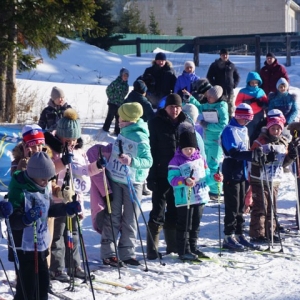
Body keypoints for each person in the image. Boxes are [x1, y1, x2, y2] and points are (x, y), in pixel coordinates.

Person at [7, 152, 81, 300]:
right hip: (23, 248)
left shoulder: (42, 186)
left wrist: (66, 209)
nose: (46, 182)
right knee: (27, 289)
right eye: (43, 179)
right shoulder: (19, 190)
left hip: (40, 245)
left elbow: (49, 209)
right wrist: (25, 219)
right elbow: (12, 221)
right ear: (33, 174)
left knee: (42, 286)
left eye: (48, 179)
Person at [47, 108, 103, 281]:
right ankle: (56, 268)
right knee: (59, 235)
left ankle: (75, 264)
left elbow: (84, 170)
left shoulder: (78, 152)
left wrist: (98, 165)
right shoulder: (53, 151)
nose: (71, 142)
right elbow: (50, 172)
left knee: (75, 233)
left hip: (74, 198)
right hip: (58, 200)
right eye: (68, 139)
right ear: (60, 136)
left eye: (74, 139)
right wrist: (62, 161)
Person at [100, 102, 153, 266]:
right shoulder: (123, 132)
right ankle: (108, 252)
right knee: (113, 216)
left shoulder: (140, 136)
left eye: (121, 117)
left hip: (133, 182)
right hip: (115, 179)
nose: (118, 119)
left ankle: (127, 252)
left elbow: (148, 161)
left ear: (129, 119)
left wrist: (132, 161)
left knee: (130, 218)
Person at [168, 122, 222, 260]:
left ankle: (193, 247)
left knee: (195, 224)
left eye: (191, 148)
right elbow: (172, 180)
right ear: (181, 147)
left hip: (199, 196)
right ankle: (183, 250)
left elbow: (206, 178)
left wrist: (214, 178)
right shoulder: (176, 160)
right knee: (185, 224)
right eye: (186, 149)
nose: (189, 151)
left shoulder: (200, 159)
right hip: (184, 198)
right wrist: (184, 181)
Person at [146, 93, 187, 260]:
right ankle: (152, 248)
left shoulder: (185, 124)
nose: (175, 110)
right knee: (158, 211)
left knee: (175, 210)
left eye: (177, 107)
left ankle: (172, 245)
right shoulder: (155, 123)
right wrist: (152, 175)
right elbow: (151, 150)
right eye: (172, 107)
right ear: (165, 107)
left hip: (179, 175)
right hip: (161, 174)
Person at [249, 112, 296, 243]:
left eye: (278, 129)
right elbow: (252, 159)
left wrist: (291, 156)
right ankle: (257, 233)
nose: (275, 131)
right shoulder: (260, 141)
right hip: (260, 179)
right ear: (268, 129)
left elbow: (284, 163)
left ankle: (270, 232)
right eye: (273, 128)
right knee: (260, 206)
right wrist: (262, 158)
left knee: (272, 207)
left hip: (274, 180)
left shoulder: (283, 142)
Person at [221, 103, 260, 251]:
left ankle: (239, 233)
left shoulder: (243, 129)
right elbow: (233, 152)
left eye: (249, 120)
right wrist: (252, 155)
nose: (248, 122)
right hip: (232, 168)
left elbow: (245, 150)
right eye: (246, 119)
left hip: (243, 169)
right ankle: (228, 235)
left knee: (241, 205)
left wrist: (254, 155)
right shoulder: (229, 130)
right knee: (232, 204)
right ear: (239, 116)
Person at [197, 86, 229, 199]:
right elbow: (199, 107)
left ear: (217, 97)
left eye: (211, 97)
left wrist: (207, 125)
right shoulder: (208, 105)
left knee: (213, 165)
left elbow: (223, 125)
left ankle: (216, 191)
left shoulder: (221, 108)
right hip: (206, 139)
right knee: (205, 165)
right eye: (208, 96)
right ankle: (209, 187)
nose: (208, 98)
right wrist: (190, 98)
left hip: (216, 141)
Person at [235, 71, 268, 145]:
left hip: (259, 115)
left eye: (256, 82)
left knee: (259, 131)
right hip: (246, 116)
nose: (254, 84)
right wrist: (247, 102)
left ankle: (258, 146)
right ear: (248, 82)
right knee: (248, 132)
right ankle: (248, 146)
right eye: (252, 82)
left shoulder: (261, 92)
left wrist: (262, 104)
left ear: (258, 82)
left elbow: (266, 104)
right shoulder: (243, 91)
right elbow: (237, 103)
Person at [206, 48, 240, 117]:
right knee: (220, 109)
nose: (225, 56)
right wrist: (215, 85)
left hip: (229, 92)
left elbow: (237, 76)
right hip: (219, 93)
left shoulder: (231, 65)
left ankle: (229, 123)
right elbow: (209, 76)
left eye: (226, 55)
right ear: (220, 55)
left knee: (230, 109)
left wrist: (234, 85)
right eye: (223, 55)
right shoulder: (215, 65)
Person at [102, 68, 129, 135]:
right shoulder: (116, 82)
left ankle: (117, 131)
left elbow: (125, 93)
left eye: (127, 76)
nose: (125, 77)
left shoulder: (126, 85)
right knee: (110, 116)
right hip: (112, 103)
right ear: (121, 75)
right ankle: (105, 128)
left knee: (119, 117)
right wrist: (112, 97)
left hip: (120, 104)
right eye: (124, 75)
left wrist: (122, 99)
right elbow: (108, 90)